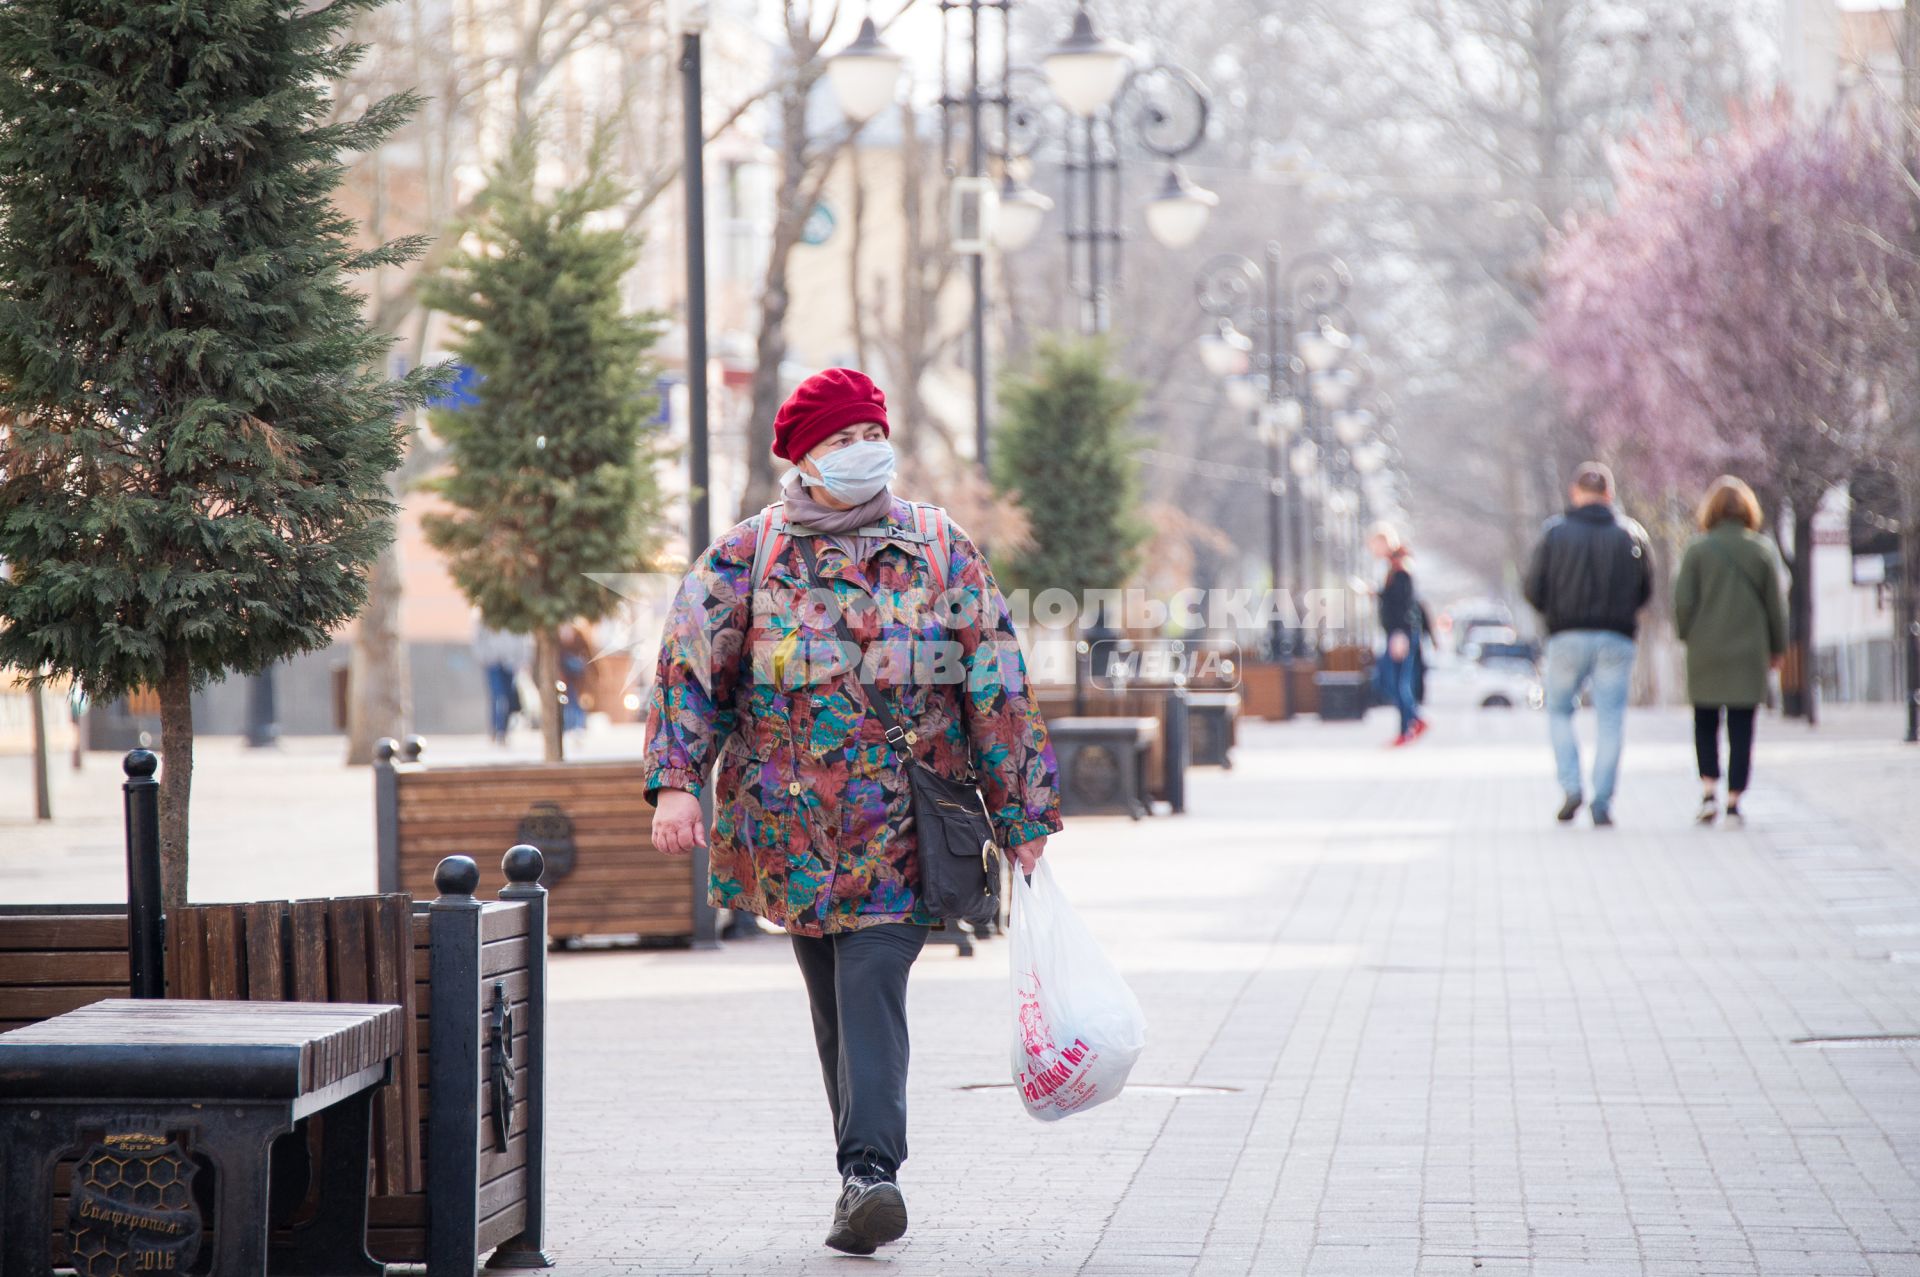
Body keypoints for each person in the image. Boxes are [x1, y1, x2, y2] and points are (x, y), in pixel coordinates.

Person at [642, 367, 1062, 1256]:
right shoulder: (746, 557)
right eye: (840, 441)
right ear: (801, 456)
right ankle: (856, 1175)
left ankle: (872, 1170)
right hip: (788, 835)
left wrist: (1023, 816)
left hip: (904, 824)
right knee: (833, 1000)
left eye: (872, 433)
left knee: (872, 982)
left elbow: (995, 682)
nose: (864, 451)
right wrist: (676, 781)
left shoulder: (938, 546)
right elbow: (690, 672)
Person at [1524, 462, 1653, 827]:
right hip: (1616, 637)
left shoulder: (1555, 534)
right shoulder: (1631, 535)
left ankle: (1571, 785)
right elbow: (1646, 589)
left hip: (1566, 636)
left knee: (1560, 711)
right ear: (1609, 495)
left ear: (1575, 493)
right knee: (1610, 719)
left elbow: (1533, 588)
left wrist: (1554, 614)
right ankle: (1602, 799)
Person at [1673, 476, 1787, 827]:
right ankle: (1735, 800)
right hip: (1748, 653)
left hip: (1705, 651)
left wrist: (1687, 635)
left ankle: (1709, 791)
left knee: (1705, 723)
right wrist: (1777, 647)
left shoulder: (1696, 550)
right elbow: (1776, 606)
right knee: (1742, 727)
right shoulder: (1761, 550)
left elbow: (1682, 604)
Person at [1369, 523, 1427, 746]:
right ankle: (1409, 725)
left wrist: (1401, 634)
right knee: (1393, 680)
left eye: (1375, 545)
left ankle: (1411, 723)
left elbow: (1405, 606)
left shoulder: (1401, 570)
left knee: (1393, 681)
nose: (1373, 550)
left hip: (1400, 633)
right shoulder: (1393, 568)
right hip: (1397, 632)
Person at [472, 615, 530, 744]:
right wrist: (483, 657)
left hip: (511, 663)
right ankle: (497, 730)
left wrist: (523, 660)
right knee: (497, 696)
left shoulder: (515, 614)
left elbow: (523, 637)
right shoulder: (486, 618)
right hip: (493, 662)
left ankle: (504, 729)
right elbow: (478, 639)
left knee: (509, 697)